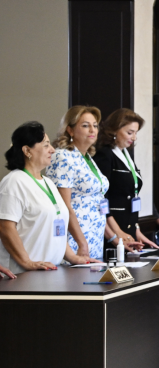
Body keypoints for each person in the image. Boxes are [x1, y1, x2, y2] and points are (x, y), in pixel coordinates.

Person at [0, 122, 94, 276]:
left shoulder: (48, 182)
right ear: (27, 150)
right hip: (22, 274)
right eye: (46, 145)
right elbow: (5, 228)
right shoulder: (14, 182)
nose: (52, 150)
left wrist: (73, 257)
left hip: (51, 271)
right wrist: (27, 262)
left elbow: (56, 229)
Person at [94, 109, 159, 251]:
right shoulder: (105, 154)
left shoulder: (125, 154)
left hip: (128, 226)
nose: (134, 138)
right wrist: (116, 233)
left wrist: (136, 231)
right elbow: (102, 198)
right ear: (114, 131)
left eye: (136, 133)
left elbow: (132, 195)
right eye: (130, 133)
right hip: (112, 230)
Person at [47, 106, 107, 260]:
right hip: (74, 239)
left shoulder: (87, 158)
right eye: (85, 126)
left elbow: (97, 200)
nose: (92, 130)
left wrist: (113, 237)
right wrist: (81, 242)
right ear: (70, 130)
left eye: (95, 125)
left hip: (94, 236)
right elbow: (63, 205)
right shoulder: (62, 157)